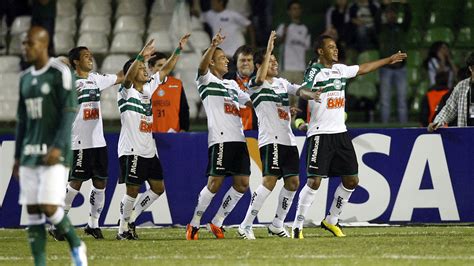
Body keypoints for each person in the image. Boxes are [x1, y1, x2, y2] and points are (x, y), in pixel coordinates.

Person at [291, 35, 406, 238]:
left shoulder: (340, 70)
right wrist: (313, 95)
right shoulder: (315, 71)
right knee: (314, 182)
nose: (335, 50)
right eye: (331, 47)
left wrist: (388, 60)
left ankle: (331, 219)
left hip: (340, 134)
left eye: (336, 47)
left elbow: (363, 68)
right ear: (320, 51)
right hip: (320, 134)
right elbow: (303, 90)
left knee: (351, 180)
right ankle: (297, 225)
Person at [12, 26, 87, 265]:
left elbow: (69, 112)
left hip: (56, 153)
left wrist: (58, 146)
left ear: (44, 45)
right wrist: (16, 157)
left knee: (48, 206)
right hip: (30, 154)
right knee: (33, 212)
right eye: (24, 44)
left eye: (30, 43)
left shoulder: (59, 73)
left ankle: (76, 244)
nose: (25, 48)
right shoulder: (24, 79)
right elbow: (22, 121)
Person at [238, 31, 321, 240]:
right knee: (269, 181)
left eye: (275, 60)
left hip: (288, 140)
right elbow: (259, 77)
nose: (275, 63)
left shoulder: (283, 83)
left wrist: (313, 93)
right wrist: (268, 49)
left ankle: (277, 224)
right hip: (270, 140)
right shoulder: (254, 84)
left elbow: (300, 92)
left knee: (293, 183)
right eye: (270, 61)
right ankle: (245, 225)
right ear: (260, 65)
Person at [116, 34, 190, 240]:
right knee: (132, 190)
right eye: (141, 68)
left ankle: (131, 218)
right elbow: (129, 76)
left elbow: (165, 69)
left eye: (145, 67)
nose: (145, 70)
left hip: (149, 149)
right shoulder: (125, 91)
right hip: (131, 149)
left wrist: (178, 49)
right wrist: (141, 56)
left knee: (158, 189)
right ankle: (122, 229)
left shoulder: (149, 88)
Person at [47, 47, 125, 241]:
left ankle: (93, 224)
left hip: (98, 141)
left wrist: (141, 58)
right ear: (75, 62)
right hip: (78, 141)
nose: (90, 58)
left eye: (91, 55)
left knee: (101, 183)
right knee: (76, 183)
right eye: (86, 56)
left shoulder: (95, 79)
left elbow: (120, 77)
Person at [186, 29, 253, 240]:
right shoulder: (205, 81)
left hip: (239, 139)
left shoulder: (232, 84)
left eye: (226, 58)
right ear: (212, 63)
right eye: (222, 58)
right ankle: (194, 224)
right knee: (215, 183)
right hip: (221, 138)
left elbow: (250, 101)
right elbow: (201, 67)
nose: (227, 61)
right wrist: (213, 45)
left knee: (242, 184)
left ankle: (217, 222)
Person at [376, 1, 411, 123]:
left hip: (401, 68)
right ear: (385, 15)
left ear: (396, 15)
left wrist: (404, 4)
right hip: (386, 68)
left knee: (402, 101)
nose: (391, 15)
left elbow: (408, 17)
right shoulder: (381, 28)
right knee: (385, 101)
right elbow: (376, 17)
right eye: (389, 13)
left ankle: (404, 128)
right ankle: (384, 127)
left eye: (393, 13)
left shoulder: (402, 27)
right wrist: (383, 5)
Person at [428, 52, 474, 131]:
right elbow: (449, 109)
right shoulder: (461, 87)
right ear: (470, 68)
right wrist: (437, 122)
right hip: (465, 135)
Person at [148, 52, 190, 133]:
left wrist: (184, 128)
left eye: (165, 65)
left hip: (174, 133)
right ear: (150, 67)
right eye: (160, 65)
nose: (164, 68)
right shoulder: (144, 86)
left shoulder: (177, 84)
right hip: (150, 135)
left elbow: (184, 109)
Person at [275, 0, 311, 85]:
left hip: (300, 69)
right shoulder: (284, 26)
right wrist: (284, 34)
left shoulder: (305, 29)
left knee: (299, 97)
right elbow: (276, 42)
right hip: (286, 68)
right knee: (285, 97)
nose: (296, 11)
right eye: (294, 9)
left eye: (298, 8)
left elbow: (307, 51)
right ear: (289, 12)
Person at [224, 44, 257, 130]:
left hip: (256, 134)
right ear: (236, 63)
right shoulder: (225, 80)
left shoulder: (261, 81)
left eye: (249, 60)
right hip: (231, 132)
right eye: (242, 60)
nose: (246, 63)